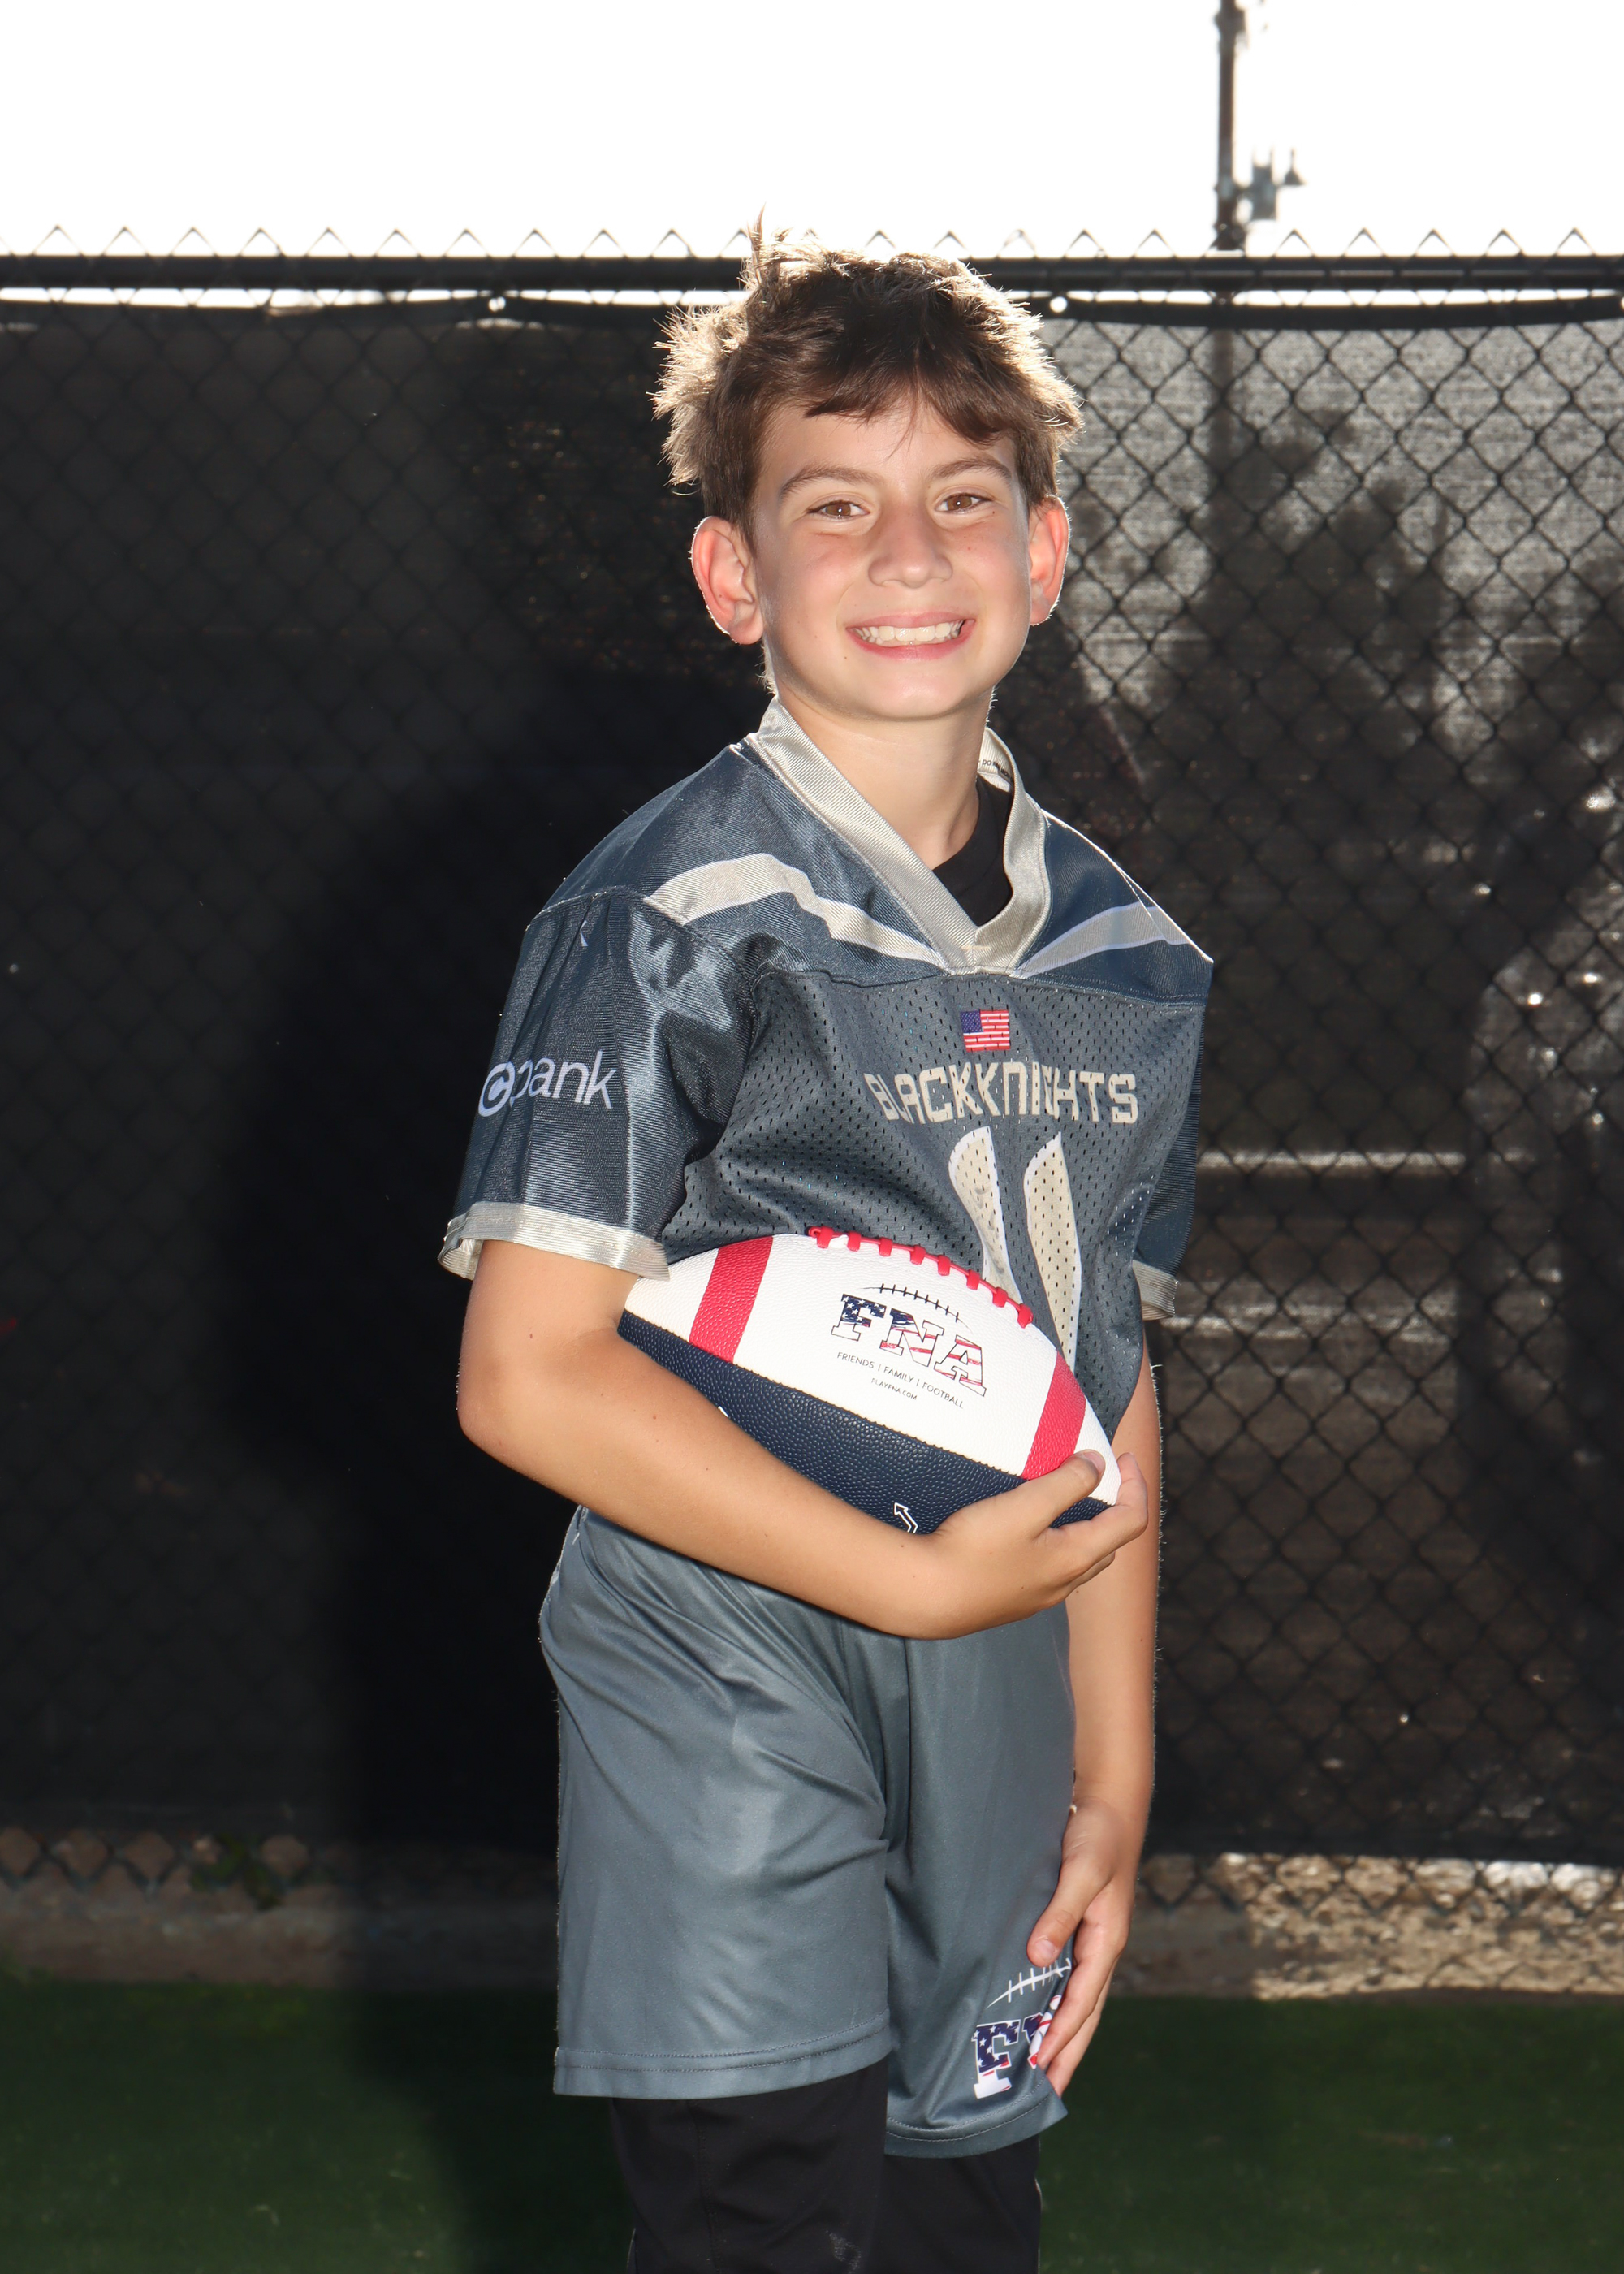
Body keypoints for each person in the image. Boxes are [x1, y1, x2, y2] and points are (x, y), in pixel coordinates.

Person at [444, 235, 1211, 2274]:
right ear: (734, 575)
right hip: (725, 1634)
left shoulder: (1132, 957)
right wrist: (902, 1575)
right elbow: (524, 1372)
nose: (908, 552)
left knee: (961, 2210)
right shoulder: (661, 915)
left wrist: (1114, 1762)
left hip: (996, 1652)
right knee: (759, 2211)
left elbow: (1101, 1375)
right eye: (835, 505)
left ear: (1045, 552)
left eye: (962, 496)